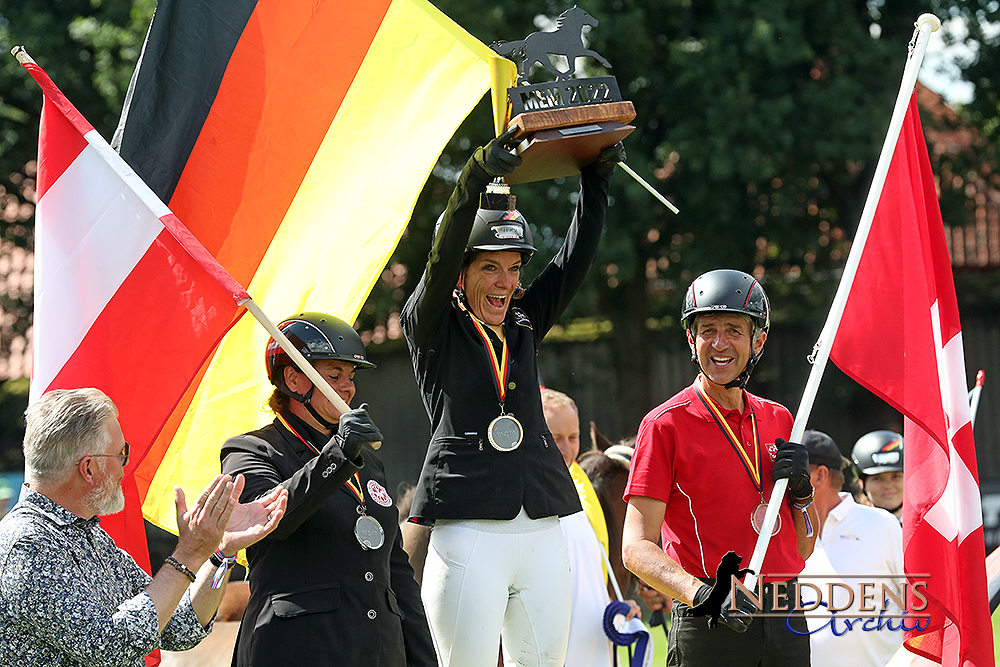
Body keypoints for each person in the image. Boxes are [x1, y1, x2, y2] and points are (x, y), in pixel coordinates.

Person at [400, 128, 625, 667]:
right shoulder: (430, 323)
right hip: (468, 525)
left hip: (544, 523)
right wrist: (475, 175)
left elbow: (573, 261)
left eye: (514, 267)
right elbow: (441, 250)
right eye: (489, 267)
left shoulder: (524, 322)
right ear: (462, 273)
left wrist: (595, 181)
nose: (505, 282)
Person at [0, 387, 288, 666]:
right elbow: (109, 648)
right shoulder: (27, 545)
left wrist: (221, 554)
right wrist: (188, 553)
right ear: (88, 469)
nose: (125, 464)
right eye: (121, 453)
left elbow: (180, 626)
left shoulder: (87, 534)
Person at [622, 269, 819, 667]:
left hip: (786, 614)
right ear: (691, 340)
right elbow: (635, 548)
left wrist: (803, 495)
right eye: (707, 329)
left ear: (758, 340)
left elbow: (804, 546)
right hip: (709, 617)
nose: (719, 343)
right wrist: (704, 596)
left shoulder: (780, 418)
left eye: (733, 329)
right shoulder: (664, 426)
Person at [220, 313, 435, 667]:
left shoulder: (365, 458)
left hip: (380, 652)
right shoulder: (249, 450)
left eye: (350, 377)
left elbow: (395, 570)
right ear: (293, 379)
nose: (348, 388)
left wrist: (424, 660)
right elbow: (266, 518)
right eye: (334, 376)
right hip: (295, 651)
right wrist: (340, 454)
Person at [541, 388, 640, 667]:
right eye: (555, 438)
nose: (567, 447)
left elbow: (591, 575)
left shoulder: (583, 496)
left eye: (573, 437)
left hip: (593, 644)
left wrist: (616, 605)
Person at [798, 430, 904, 666]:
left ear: (819, 475)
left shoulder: (883, 525)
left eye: (792, 472)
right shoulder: (780, 533)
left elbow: (921, 606)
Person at [851, 430, 903, 522]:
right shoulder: (851, 527)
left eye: (896, 476)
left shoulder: (930, 525)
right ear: (862, 484)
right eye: (877, 478)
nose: (888, 486)